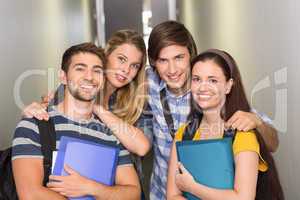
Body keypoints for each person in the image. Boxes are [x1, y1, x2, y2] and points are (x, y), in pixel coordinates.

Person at [145, 20, 279, 199]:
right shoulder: (148, 83)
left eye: (179, 58)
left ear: (191, 55)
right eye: (163, 60)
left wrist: (257, 122)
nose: (172, 69)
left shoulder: (235, 123)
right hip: (161, 191)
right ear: (154, 63)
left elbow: (272, 143)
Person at [12, 43, 141, 200]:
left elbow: (133, 192)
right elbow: (30, 194)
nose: (89, 77)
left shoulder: (111, 134)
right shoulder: (34, 125)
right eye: (80, 68)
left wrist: (92, 188)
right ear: (63, 77)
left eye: (97, 71)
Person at [167, 49, 284, 200]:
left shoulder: (242, 133)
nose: (203, 87)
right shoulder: (184, 133)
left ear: (228, 86)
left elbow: (243, 198)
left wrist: (192, 187)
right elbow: (172, 195)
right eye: (196, 79)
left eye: (213, 80)